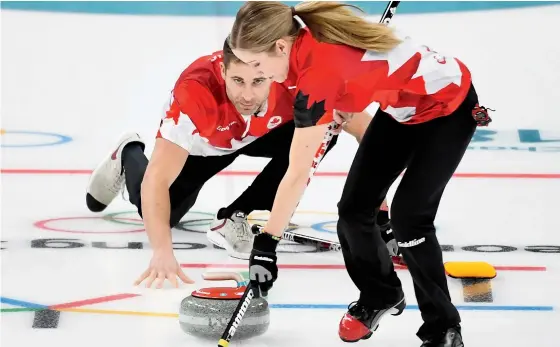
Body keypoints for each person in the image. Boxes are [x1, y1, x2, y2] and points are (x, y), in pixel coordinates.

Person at [228, 2, 493, 346]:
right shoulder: (298, 45)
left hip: (448, 107)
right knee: (354, 210)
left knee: (410, 219)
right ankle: (380, 294)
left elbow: (297, 172)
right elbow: (361, 72)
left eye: (257, 64)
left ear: (280, 45)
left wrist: (267, 243)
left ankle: (443, 328)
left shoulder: (319, 72)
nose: (257, 73)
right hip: (401, 111)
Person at [84, 38, 390, 288]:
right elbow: (157, 181)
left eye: (258, 81)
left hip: (263, 133)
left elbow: (368, 132)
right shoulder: (195, 95)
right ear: (223, 71)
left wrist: (380, 207)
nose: (247, 94)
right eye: (237, 81)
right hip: (205, 146)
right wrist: (162, 252)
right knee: (165, 215)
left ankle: (239, 216)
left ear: (273, 73)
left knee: (326, 126)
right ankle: (129, 154)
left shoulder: (293, 80)